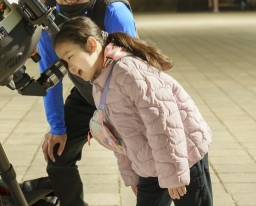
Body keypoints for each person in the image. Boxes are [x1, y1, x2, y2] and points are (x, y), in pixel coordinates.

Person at [53, 16, 213, 206]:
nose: (70, 67)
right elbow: (120, 135)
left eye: (70, 56)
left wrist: (173, 174)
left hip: (184, 158)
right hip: (150, 165)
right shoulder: (99, 85)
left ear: (91, 44)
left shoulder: (129, 72)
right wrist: (132, 174)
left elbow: (164, 123)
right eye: (64, 62)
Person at [36, 0, 136, 206]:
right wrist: (57, 127)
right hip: (85, 95)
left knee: (145, 165)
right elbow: (51, 77)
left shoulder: (112, 11)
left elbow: (134, 74)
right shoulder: (49, 18)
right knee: (57, 158)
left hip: (123, 99)